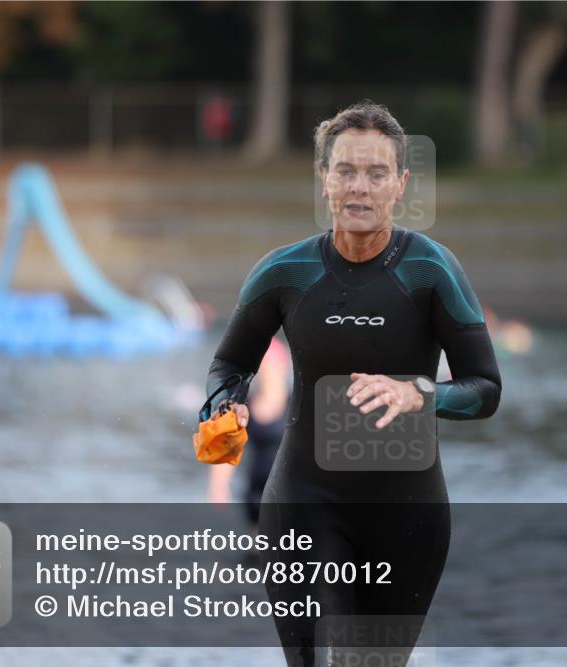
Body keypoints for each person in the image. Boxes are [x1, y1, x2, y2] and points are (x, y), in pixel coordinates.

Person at [202, 101, 501, 666]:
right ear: (324, 180)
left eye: (377, 173)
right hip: (303, 501)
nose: (359, 187)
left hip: (407, 514)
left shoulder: (432, 270)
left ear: (401, 185)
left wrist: (420, 394)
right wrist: (226, 407)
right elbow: (227, 367)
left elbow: (485, 388)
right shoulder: (283, 273)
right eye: (345, 171)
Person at [207, 336, 290, 532]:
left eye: (272, 366)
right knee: (257, 556)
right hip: (256, 495)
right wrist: (218, 487)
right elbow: (229, 449)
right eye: (264, 367)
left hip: (290, 495)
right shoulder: (245, 407)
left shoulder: (296, 406)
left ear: (283, 367)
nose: (268, 373)